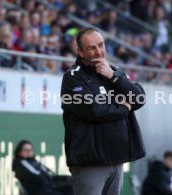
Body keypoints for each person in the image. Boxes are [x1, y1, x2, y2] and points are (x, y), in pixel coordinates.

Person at [60, 27, 146, 195]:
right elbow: (93, 110)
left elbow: (140, 98)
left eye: (101, 45)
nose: (98, 51)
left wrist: (114, 77)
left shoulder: (114, 72)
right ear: (80, 52)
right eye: (91, 48)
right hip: (90, 163)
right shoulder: (73, 76)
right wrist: (124, 107)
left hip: (116, 160)